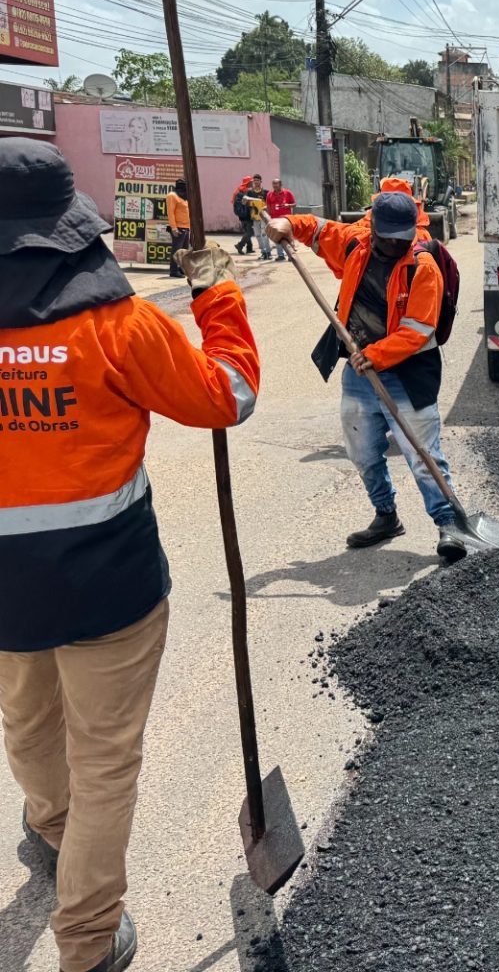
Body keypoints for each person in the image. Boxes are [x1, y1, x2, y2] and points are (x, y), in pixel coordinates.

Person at [0, 138, 259, 972]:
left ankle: (51, 829)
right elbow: (226, 396)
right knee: (104, 759)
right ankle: (87, 940)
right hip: (107, 584)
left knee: (28, 718)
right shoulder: (117, 323)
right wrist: (217, 294)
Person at [266, 193, 467, 563]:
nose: (394, 244)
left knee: (422, 453)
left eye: (400, 238)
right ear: (373, 229)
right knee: (361, 449)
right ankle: (386, 515)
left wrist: (373, 355)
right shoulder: (356, 245)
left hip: (408, 374)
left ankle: (449, 523)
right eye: (386, 236)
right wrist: (288, 224)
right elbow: (320, 230)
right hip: (361, 371)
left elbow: (418, 331)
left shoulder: (422, 267)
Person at [264, 178, 296, 263]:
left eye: (276, 184)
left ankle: (291, 255)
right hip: (275, 220)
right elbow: (268, 206)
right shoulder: (269, 194)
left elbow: (294, 204)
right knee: (277, 237)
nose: (274, 185)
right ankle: (280, 255)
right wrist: (269, 217)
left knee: (288, 237)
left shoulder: (287, 193)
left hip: (286, 219)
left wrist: (288, 205)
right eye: (273, 184)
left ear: (280, 184)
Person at [165, 178, 191, 278]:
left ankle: (181, 269)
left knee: (184, 251)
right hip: (178, 228)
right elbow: (170, 213)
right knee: (176, 251)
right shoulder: (172, 196)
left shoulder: (184, 197)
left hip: (186, 227)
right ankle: (173, 270)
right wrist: (174, 228)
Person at [231, 176, 256, 255]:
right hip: (246, 215)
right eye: (251, 182)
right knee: (250, 232)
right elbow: (247, 203)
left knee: (247, 231)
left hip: (242, 215)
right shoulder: (244, 191)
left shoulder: (239, 190)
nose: (253, 183)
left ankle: (249, 248)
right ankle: (240, 245)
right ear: (248, 183)